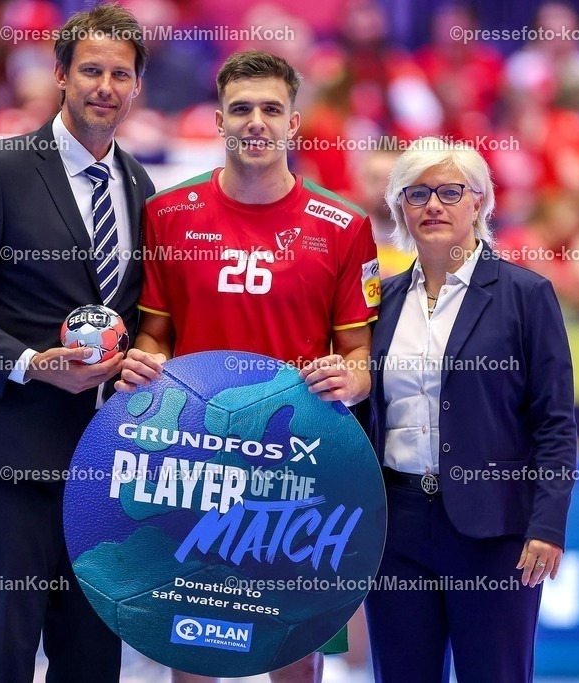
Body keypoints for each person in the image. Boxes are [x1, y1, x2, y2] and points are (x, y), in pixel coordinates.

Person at [0, 5, 154, 682]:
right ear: (61, 76)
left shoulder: (142, 187)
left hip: (103, 466)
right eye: (92, 70)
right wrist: (27, 364)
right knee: (7, 654)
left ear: (137, 87)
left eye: (120, 74)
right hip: (8, 455)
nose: (105, 85)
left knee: (94, 659)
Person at [115, 50, 380, 683]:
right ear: (218, 120)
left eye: (271, 109)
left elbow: (360, 359)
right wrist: (141, 367)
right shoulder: (168, 215)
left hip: (299, 463)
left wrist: (352, 378)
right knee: (197, 647)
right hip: (196, 462)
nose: (255, 121)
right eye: (241, 109)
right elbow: (155, 334)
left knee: (291, 653)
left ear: (294, 123)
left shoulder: (344, 226)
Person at [364, 137, 577, 683]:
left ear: (479, 202)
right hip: (396, 527)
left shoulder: (526, 295)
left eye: (450, 191)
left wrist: (547, 526)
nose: (433, 205)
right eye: (417, 194)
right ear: (400, 209)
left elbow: (554, 423)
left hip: (494, 529)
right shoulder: (378, 303)